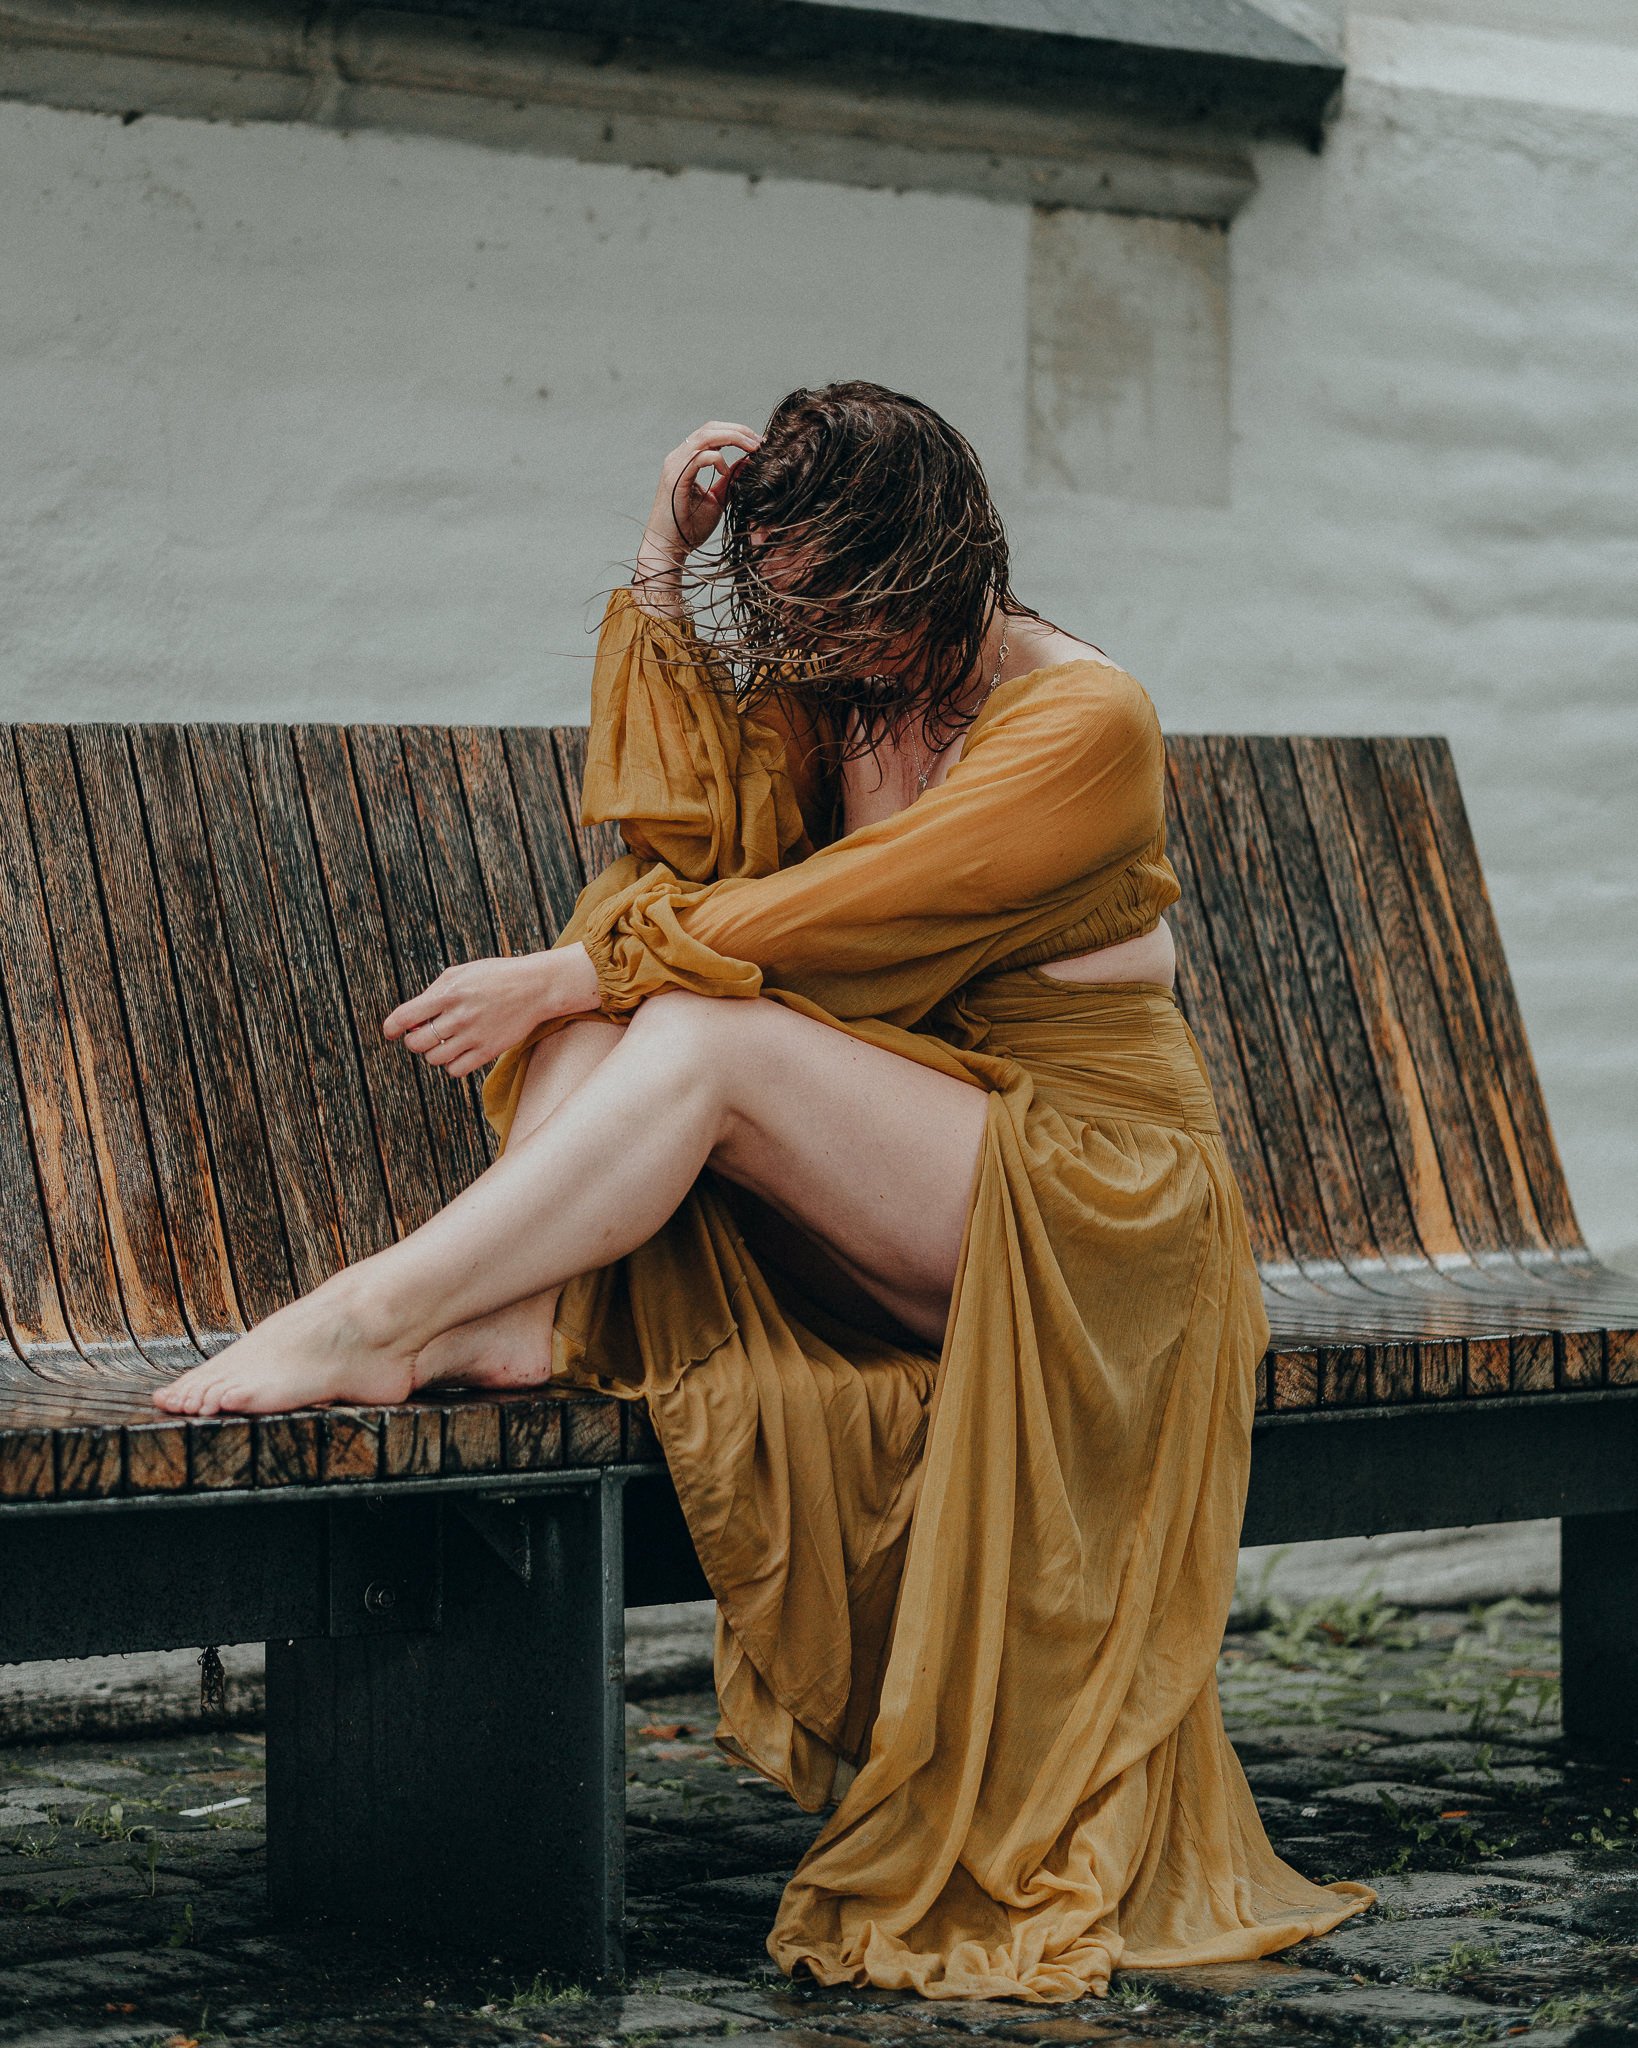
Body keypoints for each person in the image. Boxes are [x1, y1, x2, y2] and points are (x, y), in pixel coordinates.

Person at [153, 382, 1371, 1999]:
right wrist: (662, 575)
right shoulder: (851, 694)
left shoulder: (1082, 717)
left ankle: (387, 1307)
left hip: (1098, 1203)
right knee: (636, 963)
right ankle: (509, 1311)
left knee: (683, 1014)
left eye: (851, 605)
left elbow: (832, 915)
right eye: (791, 608)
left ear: (942, 555)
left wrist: (561, 972)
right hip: (934, 1157)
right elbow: (687, 841)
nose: (827, 640)